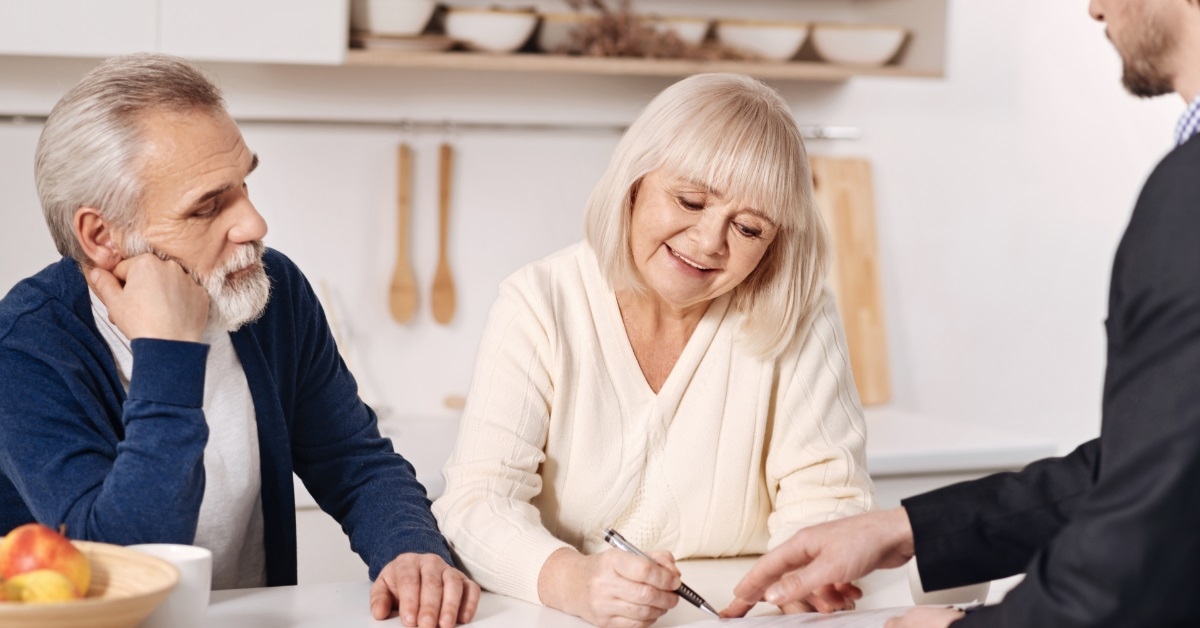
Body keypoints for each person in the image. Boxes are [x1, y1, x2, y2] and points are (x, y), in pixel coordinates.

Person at [723, 1, 1200, 626]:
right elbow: (1161, 459)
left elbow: (1148, 520)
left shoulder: (1188, 191)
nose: (1094, 8)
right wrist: (910, 528)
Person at [0, 53, 479, 628]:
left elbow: (352, 460)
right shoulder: (25, 348)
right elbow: (120, 568)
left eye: (244, 184)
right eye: (208, 206)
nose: (254, 224)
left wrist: (411, 549)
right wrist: (168, 356)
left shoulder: (272, 293)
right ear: (101, 236)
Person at [431, 72, 874, 627]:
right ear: (635, 183)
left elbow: (829, 496)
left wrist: (809, 568)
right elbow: (477, 504)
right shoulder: (540, 303)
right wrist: (573, 581)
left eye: (748, 229)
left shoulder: (801, 315)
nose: (709, 242)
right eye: (690, 201)